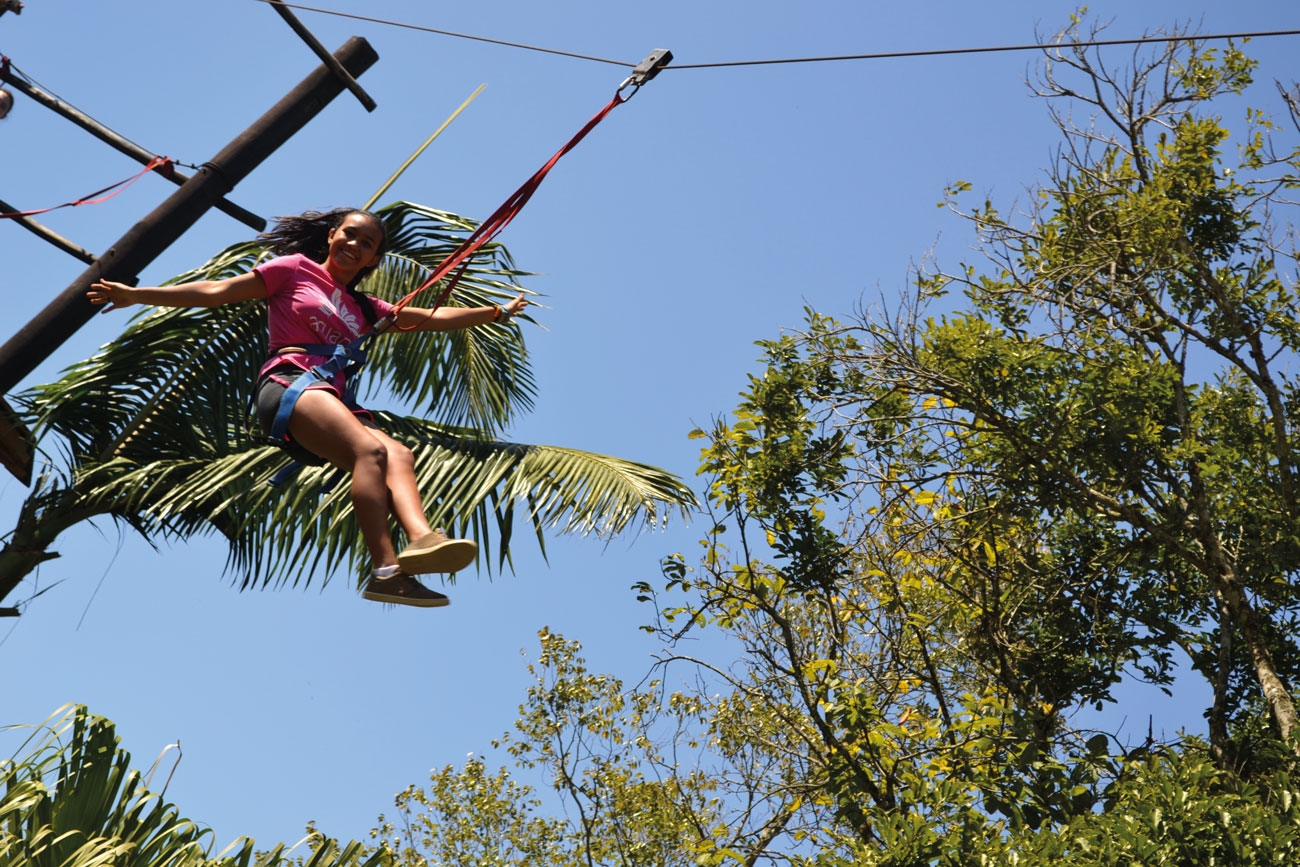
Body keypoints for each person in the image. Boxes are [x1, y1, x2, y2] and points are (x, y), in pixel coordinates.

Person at [87, 207, 529, 608]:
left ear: (374, 261)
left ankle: (421, 538)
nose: (355, 246)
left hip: (330, 398)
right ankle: (386, 570)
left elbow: (425, 319)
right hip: (290, 383)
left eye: (367, 244)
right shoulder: (293, 270)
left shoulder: (365, 307)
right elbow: (220, 290)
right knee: (370, 452)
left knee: (398, 454)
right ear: (332, 235)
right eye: (350, 236)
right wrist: (139, 294)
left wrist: (494, 312)